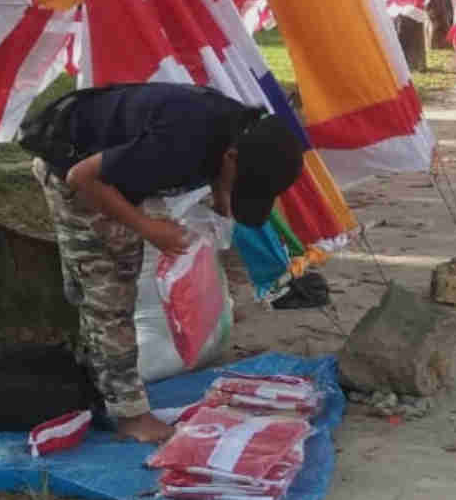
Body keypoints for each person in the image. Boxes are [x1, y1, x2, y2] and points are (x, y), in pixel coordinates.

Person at [24, 83, 304, 444]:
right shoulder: (182, 140)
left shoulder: (238, 129)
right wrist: (147, 228)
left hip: (112, 168)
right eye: (242, 184)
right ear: (232, 157)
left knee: (113, 274)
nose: (237, 194)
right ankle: (130, 417)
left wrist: (222, 197)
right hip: (72, 168)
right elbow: (82, 177)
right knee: (111, 293)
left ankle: (99, 374)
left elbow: (213, 169)